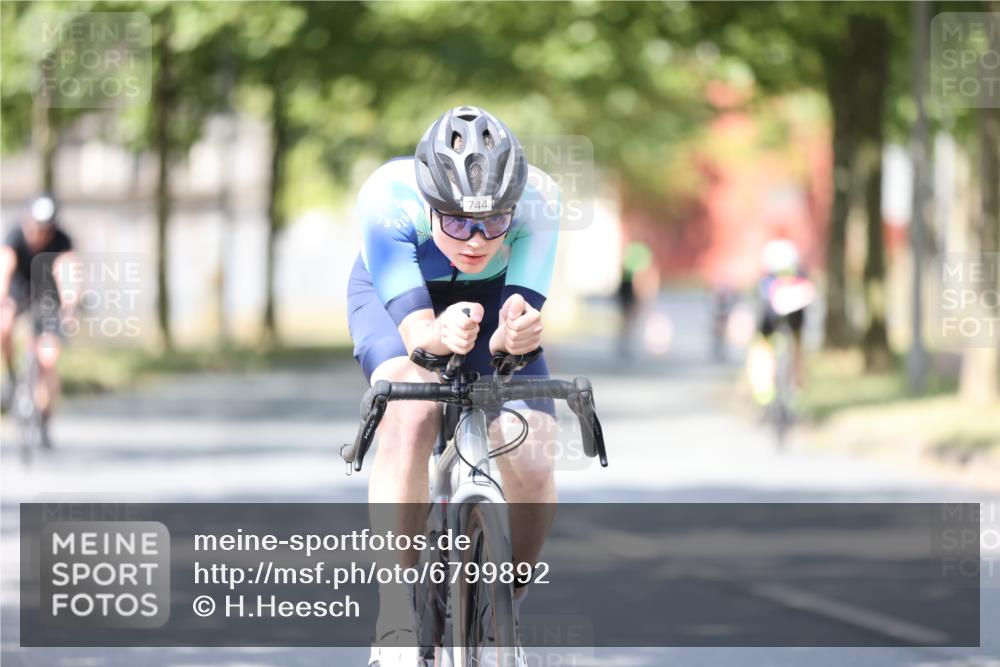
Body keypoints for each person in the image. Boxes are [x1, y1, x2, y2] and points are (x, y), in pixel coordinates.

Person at [347, 106, 560, 667]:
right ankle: (394, 613)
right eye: (458, 221)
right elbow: (419, 338)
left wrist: (514, 335)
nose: (476, 239)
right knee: (409, 407)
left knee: (535, 454)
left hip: (490, 300)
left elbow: (514, 324)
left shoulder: (539, 201)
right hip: (401, 295)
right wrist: (438, 336)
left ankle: (504, 607)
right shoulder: (386, 197)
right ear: (429, 203)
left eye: (494, 222)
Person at [0, 194, 77, 448]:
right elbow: (5, 267)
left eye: (46, 228)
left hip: (47, 297)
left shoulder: (61, 240)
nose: (40, 232)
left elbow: (67, 273)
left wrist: (69, 307)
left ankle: (44, 417)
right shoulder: (15, 235)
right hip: (19, 291)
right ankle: (11, 375)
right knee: (4, 325)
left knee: (47, 359)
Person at [747, 236, 813, 405]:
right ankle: (793, 385)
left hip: (779, 325)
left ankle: (772, 388)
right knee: (771, 346)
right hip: (777, 324)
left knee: (762, 346)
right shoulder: (798, 277)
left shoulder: (766, 281)